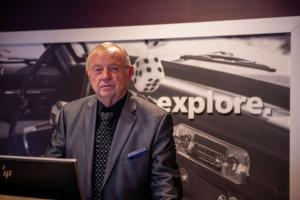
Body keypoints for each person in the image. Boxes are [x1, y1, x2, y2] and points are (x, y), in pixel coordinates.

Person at [45, 42, 183, 199]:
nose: (105, 76)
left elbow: (165, 185)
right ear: (89, 74)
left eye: (114, 68)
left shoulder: (156, 121)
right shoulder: (69, 114)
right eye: (97, 69)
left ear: (130, 72)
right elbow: (51, 171)